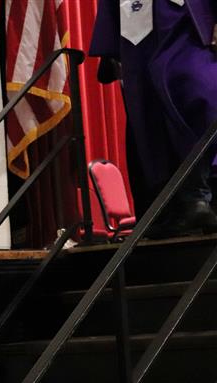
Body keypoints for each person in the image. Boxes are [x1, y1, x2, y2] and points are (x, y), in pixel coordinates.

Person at [90, 0, 217, 237]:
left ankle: (200, 199)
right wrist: (111, 49)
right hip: (137, 33)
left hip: (188, 21)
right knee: (149, 121)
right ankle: (172, 210)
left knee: (197, 97)